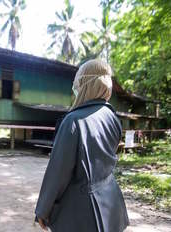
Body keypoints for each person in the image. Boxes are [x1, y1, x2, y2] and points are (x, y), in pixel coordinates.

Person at [35, 59, 129, 232]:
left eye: (77, 84)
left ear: (85, 85)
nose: (75, 89)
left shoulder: (73, 121)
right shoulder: (112, 117)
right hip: (111, 201)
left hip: (81, 213)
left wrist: (43, 209)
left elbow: (58, 172)